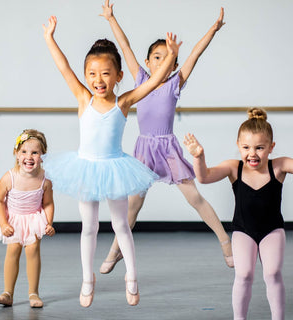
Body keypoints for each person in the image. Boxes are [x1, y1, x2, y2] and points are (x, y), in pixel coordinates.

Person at [42, 15, 181, 307]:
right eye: (92, 74)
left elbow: (154, 80)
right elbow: (63, 67)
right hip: (85, 167)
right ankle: (87, 280)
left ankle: (131, 278)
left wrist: (170, 56)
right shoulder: (83, 98)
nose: (98, 80)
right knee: (89, 227)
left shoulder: (124, 102)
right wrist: (50, 38)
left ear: (119, 76)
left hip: (115, 167)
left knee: (121, 225)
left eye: (105, 74)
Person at [99, 0, 233, 275]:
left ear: (173, 66)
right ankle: (115, 251)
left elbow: (195, 53)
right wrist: (111, 19)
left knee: (194, 198)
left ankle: (225, 241)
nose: (162, 62)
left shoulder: (174, 83)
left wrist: (214, 29)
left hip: (168, 149)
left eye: (168, 58)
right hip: (145, 150)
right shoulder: (140, 78)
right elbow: (124, 46)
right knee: (133, 206)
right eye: (157, 57)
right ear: (148, 63)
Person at [184, 108, 288, 320]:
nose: (253, 153)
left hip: (272, 231)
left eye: (260, 147)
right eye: (246, 147)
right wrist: (199, 156)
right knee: (243, 275)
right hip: (243, 231)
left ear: (271, 147)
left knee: (273, 274)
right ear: (238, 146)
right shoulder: (234, 168)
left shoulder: (279, 166)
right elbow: (203, 177)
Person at [0, 129, 55, 308]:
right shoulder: (9, 177)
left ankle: (33, 293)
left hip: (34, 219)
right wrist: (3, 223)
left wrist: (48, 223)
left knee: (33, 250)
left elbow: (48, 203)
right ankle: (8, 293)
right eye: (24, 152)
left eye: (35, 152)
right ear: (16, 154)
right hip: (13, 219)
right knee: (13, 250)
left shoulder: (45, 180)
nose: (29, 157)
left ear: (42, 156)